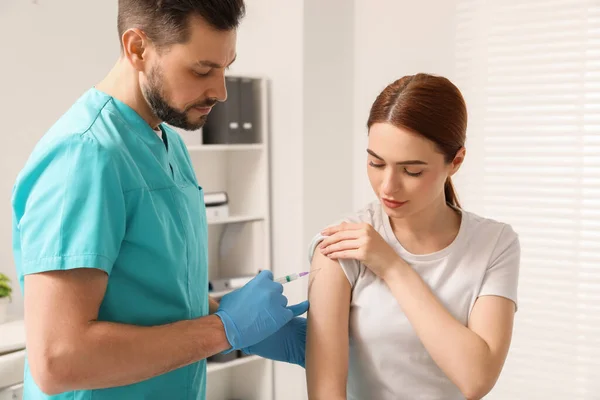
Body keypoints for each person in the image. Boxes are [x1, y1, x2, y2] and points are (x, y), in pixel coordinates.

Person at [11, 1, 307, 399]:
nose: (220, 91)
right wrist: (222, 330)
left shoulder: (166, 142)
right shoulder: (83, 156)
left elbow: (150, 294)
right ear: (137, 48)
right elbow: (59, 360)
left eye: (226, 67)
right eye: (202, 69)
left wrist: (226, 313)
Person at [306, 73, 520, 400]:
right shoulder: (340, 246)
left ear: (456, 161)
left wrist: (392, 267)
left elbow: (476, 378)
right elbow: (325, 393)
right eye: (376, 163)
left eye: (412, 171)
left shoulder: (494, 243)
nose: (388, 187)